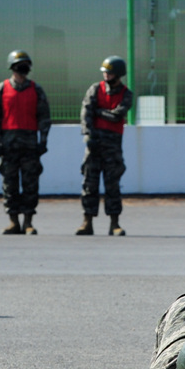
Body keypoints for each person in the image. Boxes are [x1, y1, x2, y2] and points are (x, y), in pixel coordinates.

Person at [0, 50, 51, 235]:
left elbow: (44, 117)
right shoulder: (1, 89)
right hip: (9, 145)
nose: (22, 69)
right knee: (10, 184)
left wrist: (44, 140)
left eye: (25, 65)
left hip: (30, 145)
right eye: (18, 65)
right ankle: (13, 221)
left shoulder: (36, 90)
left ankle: (28, 222)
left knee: (31, 183)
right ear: (12, 67)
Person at [78, 55, 134, 236]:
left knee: (113, 185)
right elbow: (86, 113)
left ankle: (114, 223)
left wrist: (98, 111)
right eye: (105, 73)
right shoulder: (95, 89)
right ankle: (87, 222)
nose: (106, 76)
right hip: (93, 144)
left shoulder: (126, 94)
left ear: (118, 74)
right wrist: (87, 135)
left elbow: (117, 115)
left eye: (109, 73)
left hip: (113, 147)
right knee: (89, 184)